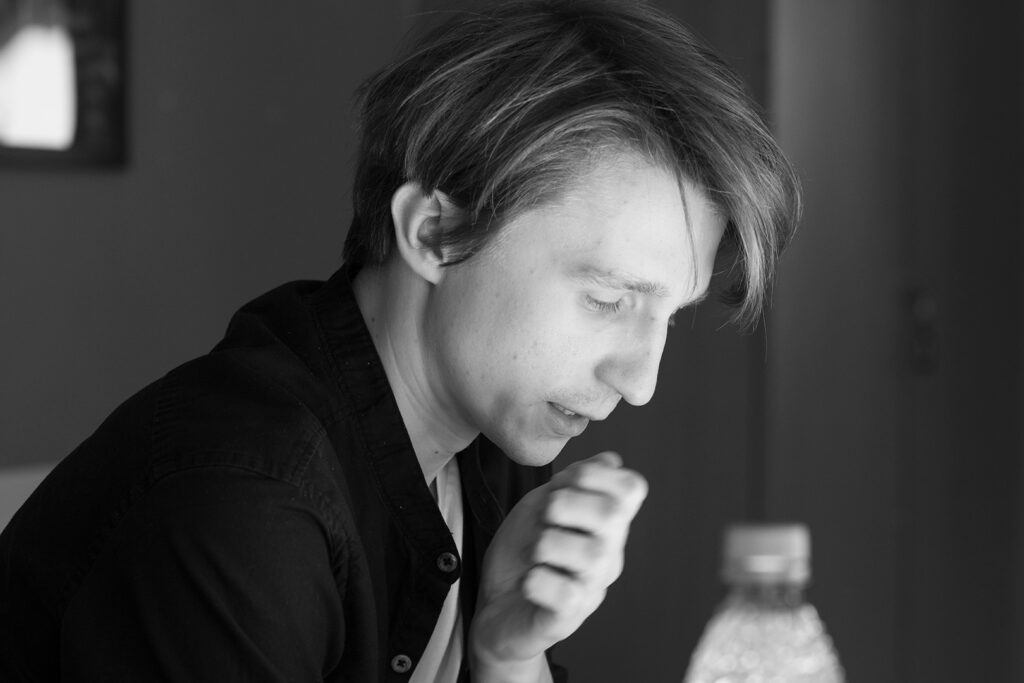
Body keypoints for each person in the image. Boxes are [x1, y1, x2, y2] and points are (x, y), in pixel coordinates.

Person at [0, 1, 800, 681]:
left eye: (669, 315)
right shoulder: (241, 506)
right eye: (608, 298)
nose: (641, 380)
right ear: (434, 233)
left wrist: (508, 654)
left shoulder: (494, 442)